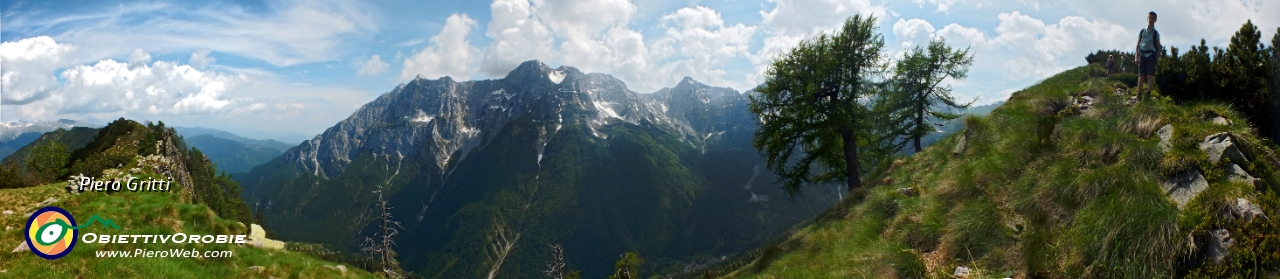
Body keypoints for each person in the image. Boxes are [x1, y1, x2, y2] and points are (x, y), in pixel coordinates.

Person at [1135, 11, 1162, 100]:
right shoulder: (1142, 31)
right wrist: (1136, 56)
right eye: (1149, 18)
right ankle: (1139, 94)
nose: (1151, 20)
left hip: (1151, 55)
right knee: (1141, 75)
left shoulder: (1156, 33)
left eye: (1153, 18)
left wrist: (1157, 57)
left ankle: (1148, 94)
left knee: (1150, 75)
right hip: (1142, 54)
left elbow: (1159, 46)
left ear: (1155, 20)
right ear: (1147, 19)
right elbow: (1138, 44)